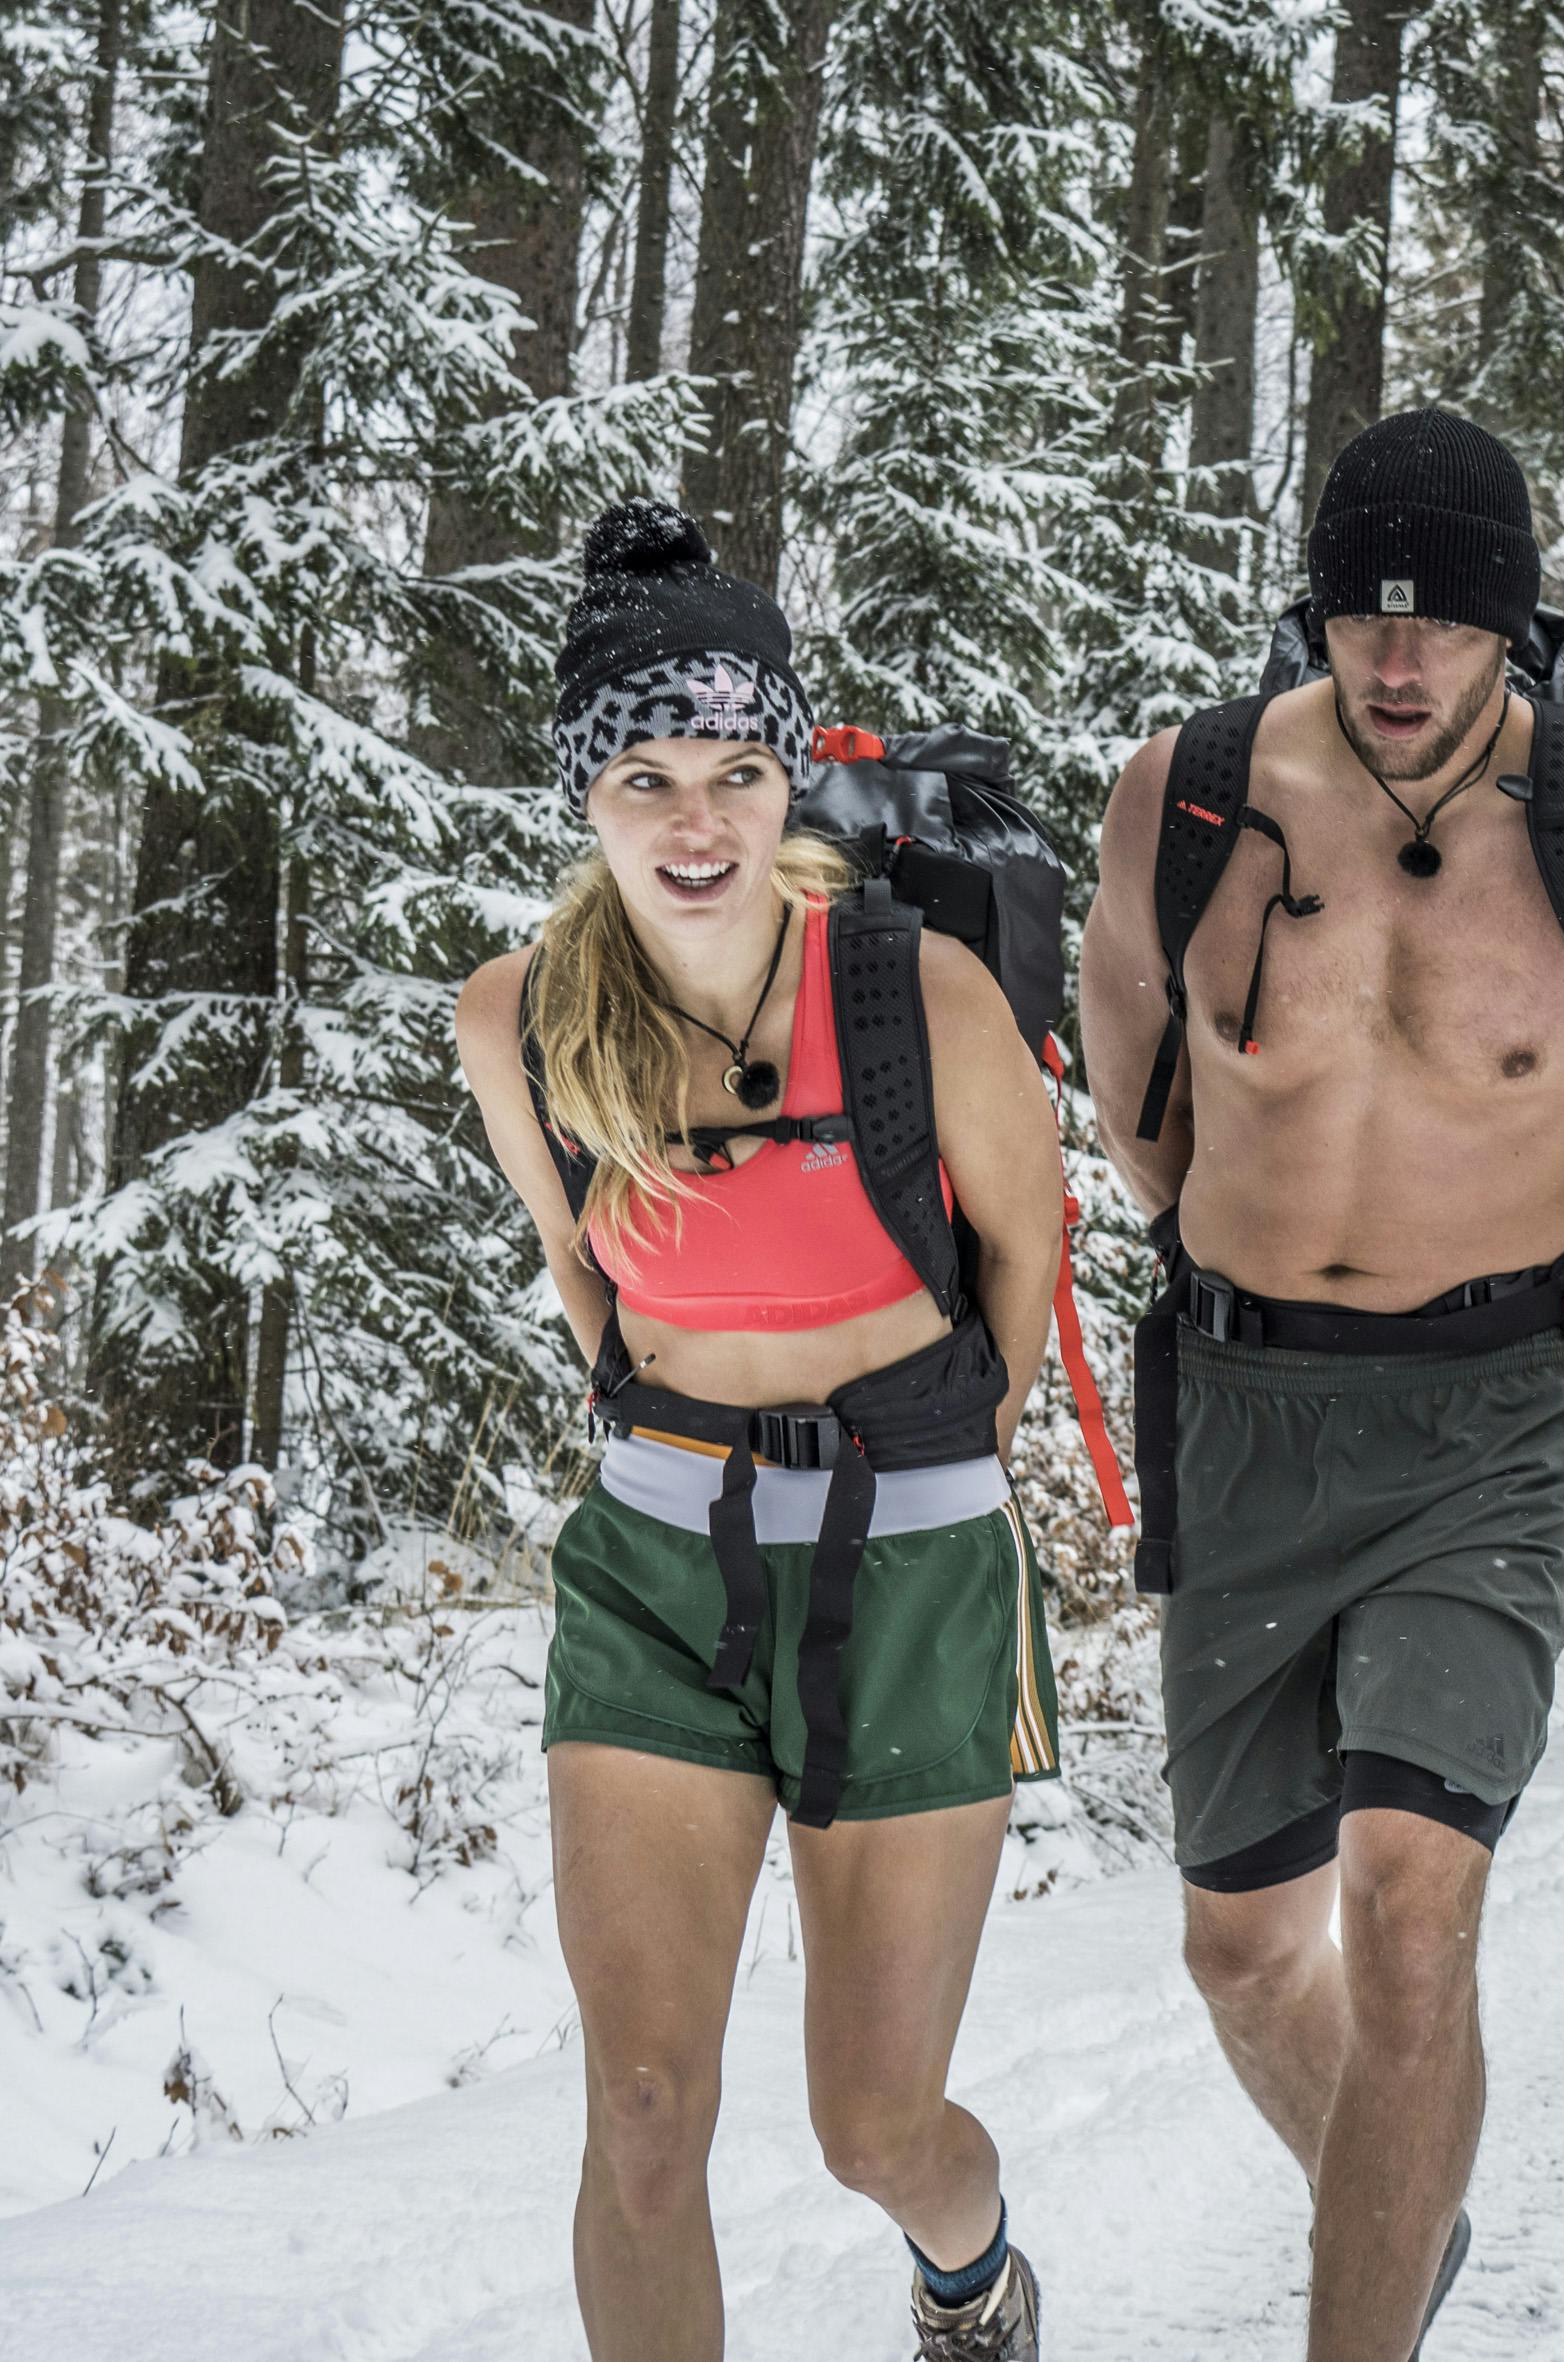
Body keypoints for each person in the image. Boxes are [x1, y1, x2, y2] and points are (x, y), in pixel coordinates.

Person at [1078, 410, 1564, 2360]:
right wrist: (1253, 1266)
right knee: (1238, 1948)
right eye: (1361, 622)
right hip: (1242, 1405)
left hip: (1492, 1425)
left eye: (1440, 629)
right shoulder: (1186, 797)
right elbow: (1133, 1084)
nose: (1395, 666)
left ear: (1511, 629)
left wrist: (1558, 1373)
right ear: (1312, 609)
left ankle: (1357, 2319)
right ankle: (1399, 2217)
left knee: (1408, 1910)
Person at [456, 500, 1067, 2362]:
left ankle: (971, 2282)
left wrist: (916, 1480)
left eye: (735, 769)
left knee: (874, 2122)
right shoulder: (518, 1020)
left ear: (787, 780)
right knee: (644, 2108)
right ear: (586, 796)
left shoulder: (915, 992)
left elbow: (1020, 1270)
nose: (698, 821)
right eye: (646, 776)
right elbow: (592, 1282)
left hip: (910, 1562)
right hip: (654, 1564)